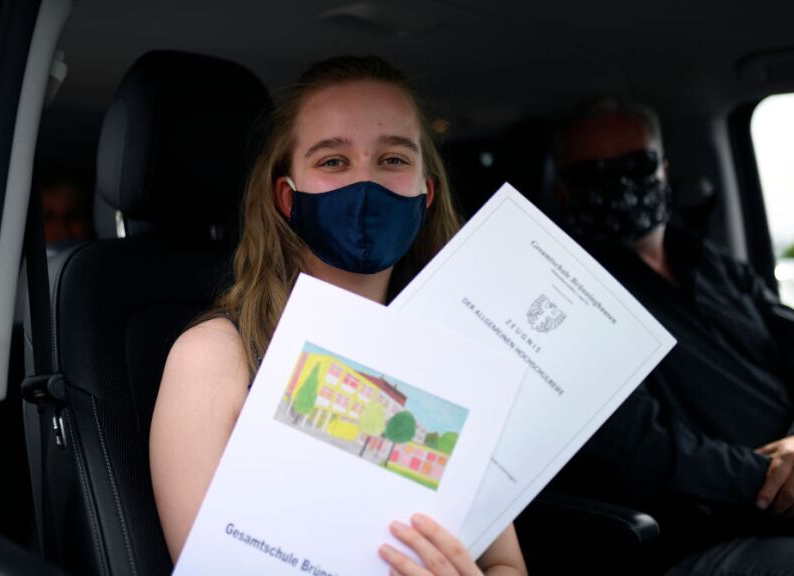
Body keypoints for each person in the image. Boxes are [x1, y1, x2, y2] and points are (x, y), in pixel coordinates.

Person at [150, 55, 527, 575]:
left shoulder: (452, 360)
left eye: (393, 159)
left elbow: (506, 564)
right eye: (333, 161)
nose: (366, 185)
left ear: (425, 194)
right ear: (287, 197)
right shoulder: (216, 357)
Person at [551, 98, 794, 574]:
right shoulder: (573, 296)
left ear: (663, 167)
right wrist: (775, 479)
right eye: (592, 174)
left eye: (636, 165)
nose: (619, 184)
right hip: (708, 535)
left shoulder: (711, 259)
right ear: (563, 192)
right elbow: (646, 453)